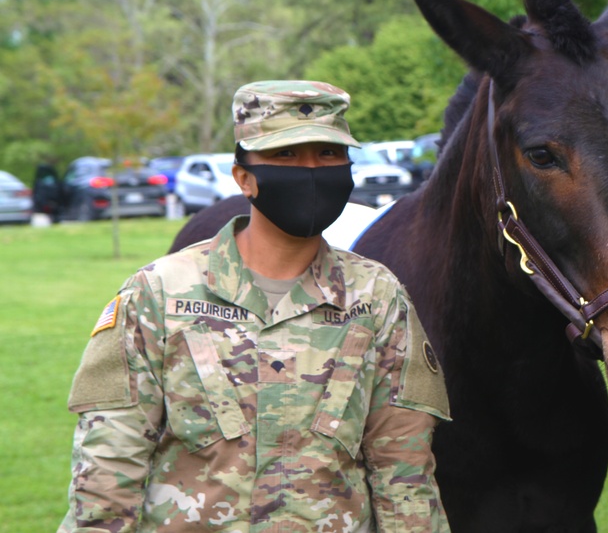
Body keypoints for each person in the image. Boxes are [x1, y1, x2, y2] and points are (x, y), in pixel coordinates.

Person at [58, 80, 451, 532]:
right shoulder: (159, 295)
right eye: (285, 156)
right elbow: (107, 478)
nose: (310, 171)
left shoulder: (378, 298)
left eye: (328, 154)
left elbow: (405, 478)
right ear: (243, 177)